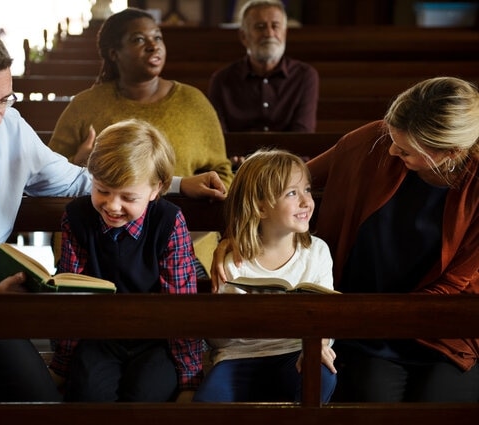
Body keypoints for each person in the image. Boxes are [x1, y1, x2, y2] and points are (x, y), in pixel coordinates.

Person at [0, 21, 224, 404]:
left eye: (5, 100)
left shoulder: (8, 127)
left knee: (43, 404)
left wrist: (174, 184)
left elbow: (81, 182)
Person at [212, 76, 479, 402]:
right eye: (392, 137)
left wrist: (369, 314)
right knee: (370, 402)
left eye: (406, 150)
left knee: (439, 405)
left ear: (449, 153)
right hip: (360, 324)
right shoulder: (375, 139)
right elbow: (274, 189)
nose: (392, 149)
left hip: (441, 326)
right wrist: (238, 236)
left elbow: (453, 287)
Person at [48, 119, 203, 402]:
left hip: (155, 340)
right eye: (102, 190)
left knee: (146, 398)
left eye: (128, 197)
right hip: (98, 336)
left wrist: (189, 379)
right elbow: (71, 294)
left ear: (156, 189)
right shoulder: (77, 218)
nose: (112, 205)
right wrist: (63, 362)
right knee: (87, 395)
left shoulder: (169, 222)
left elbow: (180, 306)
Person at [192, 149, 336, 403]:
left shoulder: (317, 252)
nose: (306, 201)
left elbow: (327, 315)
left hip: (296, 352)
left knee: (322, 376)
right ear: (260, 208)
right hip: (239, 358)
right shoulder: (234, 261)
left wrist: (321, 344)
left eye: (307, 189)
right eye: (292, 193)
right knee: (208, 402)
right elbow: (219, 340)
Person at [47, 7, 233, 190]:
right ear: (114, 53)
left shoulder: (193, 101)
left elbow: (222, 173)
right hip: (107, 215)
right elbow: (50, 175)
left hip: (183, 216)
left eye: (158, 37)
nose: (153, 46)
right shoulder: (85, 105)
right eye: (139, 39)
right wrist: (78, 164)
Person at [208, 0, 319, 134]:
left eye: (275, 26)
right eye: (260, 27)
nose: (269, 34)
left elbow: (303, 135)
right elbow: (218, 139)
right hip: (237, 155)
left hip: (289, 155)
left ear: (285, 33)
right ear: (244, 36)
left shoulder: (304, 76)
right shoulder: (221, 80)